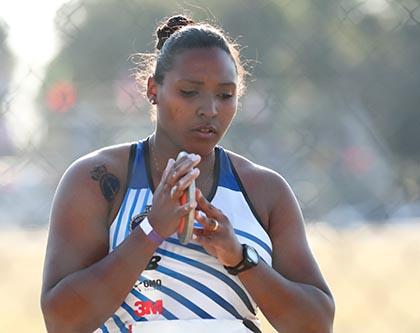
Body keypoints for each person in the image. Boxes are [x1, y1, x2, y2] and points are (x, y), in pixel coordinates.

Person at [40, 14, 335, 333]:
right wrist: (152, 230)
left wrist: (238, 257)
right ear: (154, 89)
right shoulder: (98, 180)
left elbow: (316, 324)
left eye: (225, 95)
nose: (209, 109)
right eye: (190, 92)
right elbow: (61, 321)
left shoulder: (264, 190)